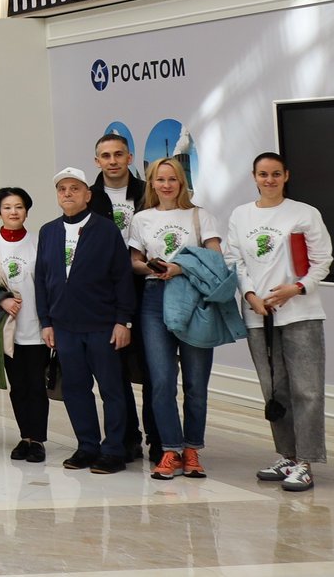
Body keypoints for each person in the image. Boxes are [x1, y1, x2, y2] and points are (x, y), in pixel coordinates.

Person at [227, 152, 332, 493]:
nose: (269, 180)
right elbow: (235, 261)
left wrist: (296, 288)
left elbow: (322, 261)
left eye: (275, 174)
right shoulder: (241, 215)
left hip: (301, 314)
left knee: (307, 390)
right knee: (274, 390)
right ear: (254, 177)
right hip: (260, 317)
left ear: (286, 176)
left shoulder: (304, 213)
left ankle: (306, 462)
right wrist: (250, 296)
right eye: (263, 174)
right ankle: (287, 456)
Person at [128, 156, 222, 480]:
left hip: (194, 297)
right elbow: (134, 262)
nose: (166, 184)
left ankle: (192, 449)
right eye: (160, 179)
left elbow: (216, 258)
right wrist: (153, 267)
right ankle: (170, 450)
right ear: (152, 183)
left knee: (196, 383)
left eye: (172, 179)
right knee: (162, 380)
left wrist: (180, 268)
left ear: (181, 182)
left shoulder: (201, 216)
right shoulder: (141, 219)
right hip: (155, 298)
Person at [36, 167, 135, 475]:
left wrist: (123, 321)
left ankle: (114, 449)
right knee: (75, 388)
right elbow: (42, 279)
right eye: (62, 189)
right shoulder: (48, 231)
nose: (67, 193)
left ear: (88, 194)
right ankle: (87, 446)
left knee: (112, 389)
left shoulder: (106, 230)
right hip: (64, 326)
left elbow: (122, 277)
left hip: (103, 325)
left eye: (74, 188)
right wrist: (46, 321)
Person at [89, 131, 155, 464]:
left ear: (129, 157)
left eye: (119, 154)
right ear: (97, 161)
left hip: (149, 287)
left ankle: (160, 439)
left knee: (154, 369)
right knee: (114, 372)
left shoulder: (149, 192)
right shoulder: (88, 198)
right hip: (105, 294)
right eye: (106, 155)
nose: (113, 161)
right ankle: (127, 438)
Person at [0, 187, 48, 462]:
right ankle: (25, 437)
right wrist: (1, 300)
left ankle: (37, 440)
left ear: (26, 211)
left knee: (37, 384)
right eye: (7, 207)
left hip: (37, 327)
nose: (13, 212)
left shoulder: (39, 241)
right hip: (6, 329)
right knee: (18, 385)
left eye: (19, 207)